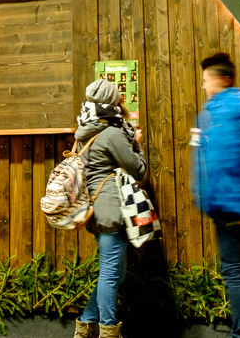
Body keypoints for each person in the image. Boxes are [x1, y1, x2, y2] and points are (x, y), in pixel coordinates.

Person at [192, 53, 240, 338]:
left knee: (234, 272)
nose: (204, 86)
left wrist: (205, 199)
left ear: (223, 79)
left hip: (227, 204)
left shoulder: (215, 113)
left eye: (206, 80)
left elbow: (217, 164)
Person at [71, 79, 145, 338]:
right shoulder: (112, 133)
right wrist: (136, 143)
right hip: (112, 211)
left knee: (114, 274)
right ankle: (108, 331)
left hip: (95, 209)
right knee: (111, 276)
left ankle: (86, 325)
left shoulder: (84, 130)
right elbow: (139, 169)